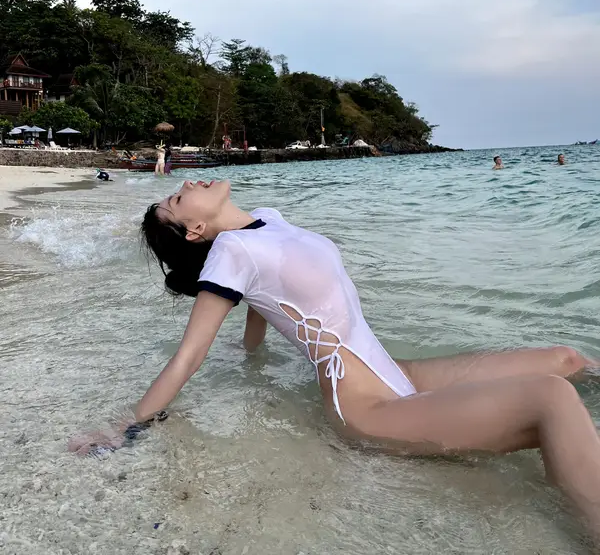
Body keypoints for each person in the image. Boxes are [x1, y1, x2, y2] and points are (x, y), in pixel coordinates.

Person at [69, 180, 600, 540]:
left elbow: (262, 298)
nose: (186, 184)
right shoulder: (229, 254)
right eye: (176, 199)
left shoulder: (267, 221)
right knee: (550, 399)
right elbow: (188, 357)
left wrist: (252, 355)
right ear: (193, 231)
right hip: (365, 407)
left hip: (396, 373)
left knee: (565, 360)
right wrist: (125, 425)